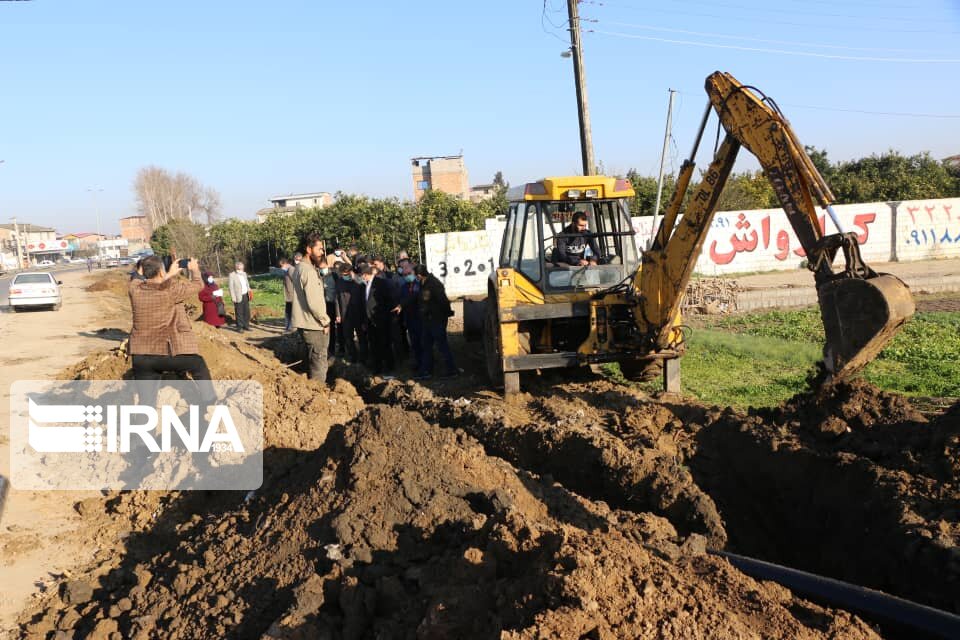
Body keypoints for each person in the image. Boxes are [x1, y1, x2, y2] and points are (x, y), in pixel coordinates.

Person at [128, 254, 216, 408]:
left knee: (146, 404)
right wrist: (194, 269)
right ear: (161, 272)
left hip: (140, 357)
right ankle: (210, 400)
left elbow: (138, 276)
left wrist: (167, 274)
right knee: (198, 364)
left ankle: (143, 430)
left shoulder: (134, 289)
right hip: (165, 355)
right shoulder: (171, 291)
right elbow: (197, 285)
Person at [292, 232, 332, 382]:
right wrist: (325, 321)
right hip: (314, 325)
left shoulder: (299, 268)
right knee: (319, 364)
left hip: (305, 323)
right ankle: (319, 395)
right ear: (309, 249)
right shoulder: (308, 271)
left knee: (311, 360)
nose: (322, 252)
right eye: (319, 248)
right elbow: (314, 303)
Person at [414, 264, 457, 379]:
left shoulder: (433, 284)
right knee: (426, 345)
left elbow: (443, 301)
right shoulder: (424, 283)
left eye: (416, 276)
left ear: (419, 275)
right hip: (428, 320)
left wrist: (444, 314)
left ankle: (451, 369)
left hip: (436, 320)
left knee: (442, 345)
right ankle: (426, 371)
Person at [361, 264, 395, 375]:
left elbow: (387, 301)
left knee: (384, 344)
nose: (362, 277)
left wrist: (383, 317)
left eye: (363, 275)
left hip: (380, 319)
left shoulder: (380, 283)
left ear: (367, 274)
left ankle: (389, 367)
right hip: (370, 320)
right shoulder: (365, 285)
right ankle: (377, 367)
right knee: (374, 345)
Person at [393, 260, 422, 373]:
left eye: (408, 274)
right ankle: (417, 363)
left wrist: (402, 305)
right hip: (410, 319)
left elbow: (414, 297)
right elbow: (401, 299)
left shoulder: (419, 285)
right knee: (414, 343)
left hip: (420, 318)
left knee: (422, 342)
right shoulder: (404, 287)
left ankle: (425, 365)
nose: (406, 276)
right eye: (404, 275)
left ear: (414, 273)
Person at [335, 262, 365, 363]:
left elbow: (364, 298)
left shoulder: (359, 282)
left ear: (350, 272)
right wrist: (338, 314)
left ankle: (364, 357)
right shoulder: (339, 282)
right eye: (342, 275)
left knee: (361, 336)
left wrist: (355, 278)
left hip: (358, 314)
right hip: (345, 314)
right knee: (348, 337)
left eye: (346, 274)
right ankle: (353, 356)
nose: (344, 276)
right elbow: (336, 299)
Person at [318, 256, 338, 358]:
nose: (322, 269)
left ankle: (338, 348)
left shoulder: (334, 275)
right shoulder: (319, 275)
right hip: (324, 305)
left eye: (323, 267)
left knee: (337, 327)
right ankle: (329, 348)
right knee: (327, 326)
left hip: (334, 304)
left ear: (326, 265)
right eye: (320, 268)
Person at [228, 261, 252, 332]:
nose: (243, 269)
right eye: (241, 268)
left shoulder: (244, 274)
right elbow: (231, 288)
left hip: (245, 295)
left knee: (247, 311)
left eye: (243, 268)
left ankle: (246, 325)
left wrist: (249, 291)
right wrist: (233, 297)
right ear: (237, 267)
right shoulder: (232, 275)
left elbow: (247, 283)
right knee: (239, 312)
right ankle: (240, 327)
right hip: (238, 296)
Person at [279, 257, 295, 332]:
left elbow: (295, 282)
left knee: (291, 311)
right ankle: (287, 327)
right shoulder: (286, 271)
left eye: (281, 265)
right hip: (288, 295)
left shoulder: (291, 270)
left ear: (285, 264)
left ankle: (290, 327)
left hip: (292, 295)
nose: (281, 267)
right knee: (287, 311)